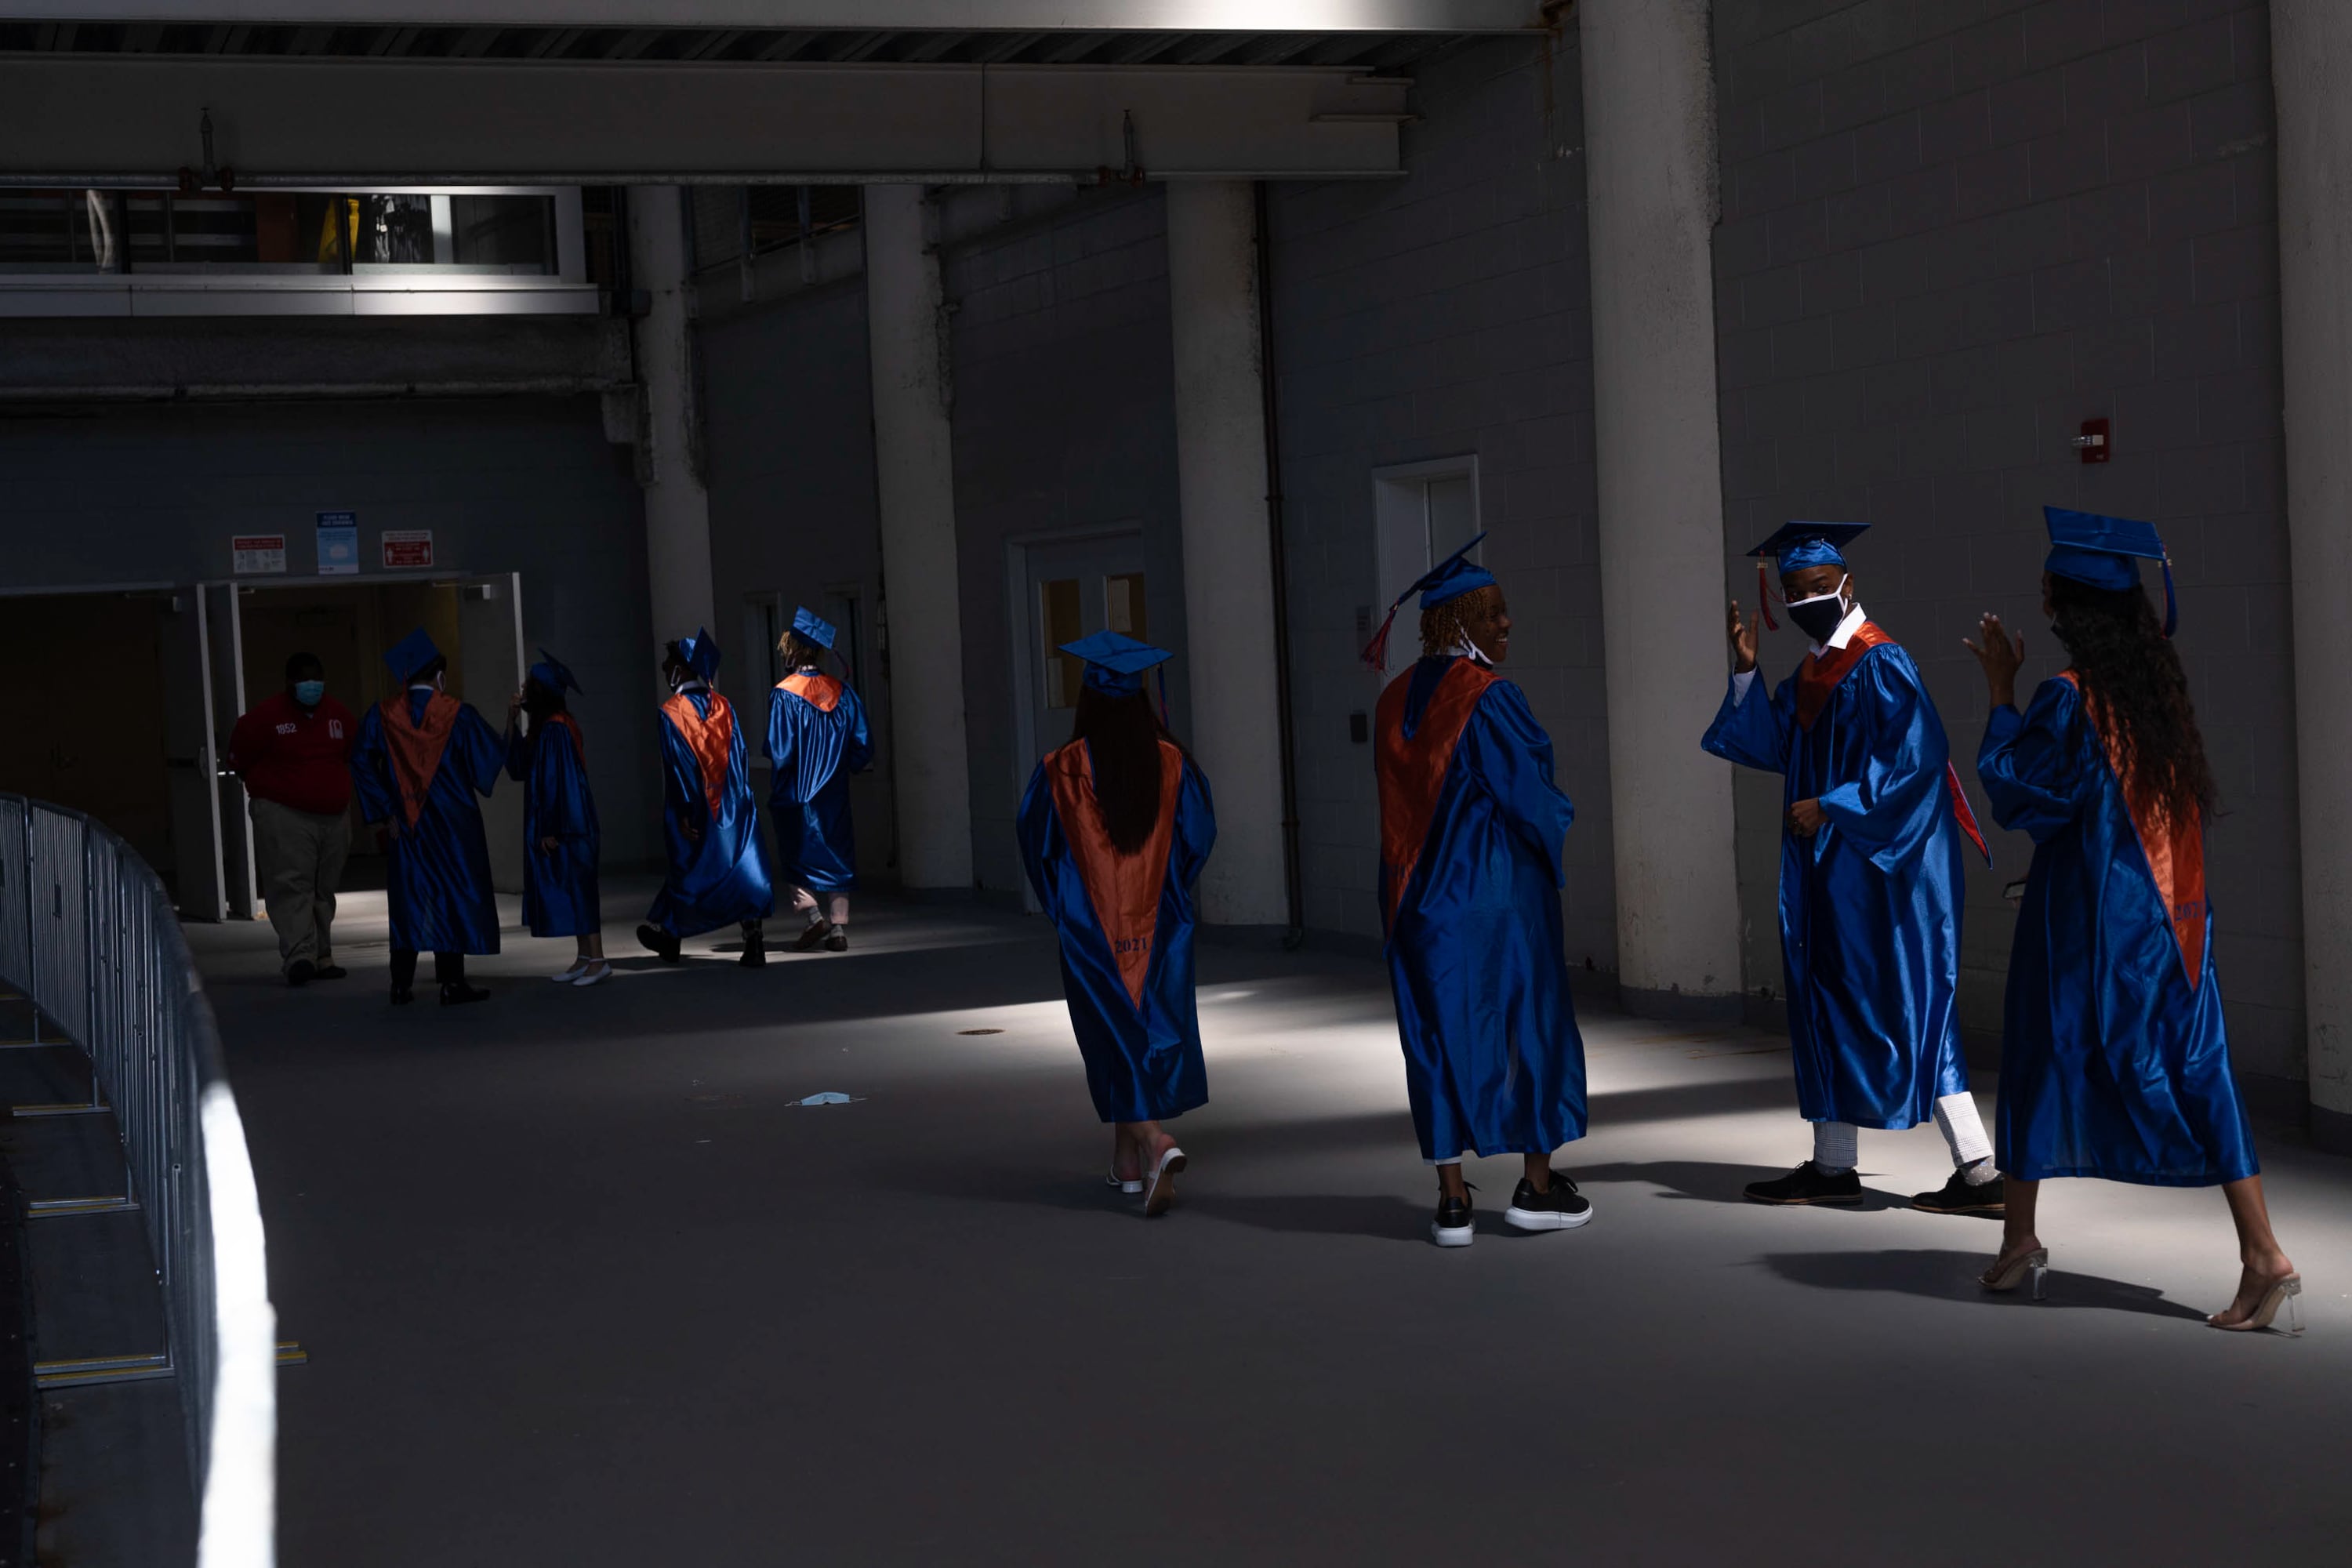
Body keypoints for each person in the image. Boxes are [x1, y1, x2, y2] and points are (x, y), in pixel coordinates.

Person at [1969, 507, 2297, 1330]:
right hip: (2174, 915)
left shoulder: (2067, 699)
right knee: (2197, 1063)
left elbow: (2022, 798)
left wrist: (2001, 696)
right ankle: (2261, 1251)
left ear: (2064, 608)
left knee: (2040, 1050)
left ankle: (2020, 1239)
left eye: (2047, 590)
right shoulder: (2154, 695)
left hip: (2088, 921)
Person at [1701, 523, 2003, 1212]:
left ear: (1846, 585)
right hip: (1831, 871)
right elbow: (1773, 741)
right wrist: (1745, 667)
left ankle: (1982, 1173)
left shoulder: (1880, 661)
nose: (1806, 600)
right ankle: (1833, 1165)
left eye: (1815, 588)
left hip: (1887, 871)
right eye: (1793, 592)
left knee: (1914, 1006)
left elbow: (1917, 761)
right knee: (1826, 998)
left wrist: (1833, 807)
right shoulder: (1813, 668)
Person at [1363, 535, 1592, 1247]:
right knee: (1528, 1027)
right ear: (1455, 622)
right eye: (1492, 612)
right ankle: (1538, 1188)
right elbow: (1530, 799)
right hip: (1494, 896)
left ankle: (1453, 1201)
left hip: (1414, 900)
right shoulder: (1489, 698)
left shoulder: (1393, 699)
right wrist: (1562, 815)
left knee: (1434, 1037)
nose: (1506, 623)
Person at [1018, 631, 1216, 1218]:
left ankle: (1155, 1143)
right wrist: (1170, 887)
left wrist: (1063, 906)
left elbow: (1037, 846)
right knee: (1146, 1033)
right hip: (1161, 922)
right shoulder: (1173, 763)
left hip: (1091, 928)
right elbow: (1198, 838)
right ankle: (1127, 1164)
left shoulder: (1061, 769)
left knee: (1109, 1038)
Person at [348, 628, 503, 1006]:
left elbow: (359, 760)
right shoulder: (458, 714)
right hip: (454, 825)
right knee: (452, 895)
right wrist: (512, 730)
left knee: (409, 897)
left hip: (407, 824)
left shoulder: (382, 715)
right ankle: (451, 983)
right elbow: (489, 759)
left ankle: (400, 984)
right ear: (439, 677)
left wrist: (386, 810)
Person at [639, 628, 774, 967]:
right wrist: (741, 799)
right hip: (734, 801)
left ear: (682, 668)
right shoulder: (724, 706)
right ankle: (753, 942)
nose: (663, 667)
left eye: (668, 661)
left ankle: (670, 937)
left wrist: (686, 810)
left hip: (696, 805)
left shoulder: (672, 711)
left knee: (690, 869)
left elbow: (679, 765)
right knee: (742, 867)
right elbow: (740, 755)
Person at [226, 651, 357, 987]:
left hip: (332, 815)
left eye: (317, 679)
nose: (312, 686)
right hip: (285, 812)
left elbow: (351, 754)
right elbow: (241, 758)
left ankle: (322, 953)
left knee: (322, 888)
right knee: (291, 884)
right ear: (290, 683)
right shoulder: (264, 718)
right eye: (304, 680)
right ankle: (300, 954)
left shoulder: (337, 715)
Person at [766, 608, 873, 954]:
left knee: (797, 856)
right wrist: (846, 766)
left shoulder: (785, 694)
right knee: (837, 856)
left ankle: (814, 919)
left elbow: (779, 750)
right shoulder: (842, 693)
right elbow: (863, 744)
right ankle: (839, 929)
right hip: (834, 793)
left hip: (798, 792)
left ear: (794, 650)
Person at [505, 649, 608, 986]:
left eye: (529, 684)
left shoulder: (559, 730)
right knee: (570, 890)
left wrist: (550, 828)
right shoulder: (545, 729)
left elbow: (558, 782)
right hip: (564, 825)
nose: (523, 687)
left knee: (580, 889)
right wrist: (511, 720)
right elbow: (518, 768)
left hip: (571, 825)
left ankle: (598, 960)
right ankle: (583, 958)